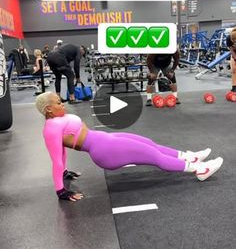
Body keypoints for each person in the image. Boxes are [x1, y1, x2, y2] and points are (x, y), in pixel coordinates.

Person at [35, 92, 223, 202]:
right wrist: (61, 191)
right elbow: (56, 158)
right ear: (49, 109)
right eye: (58, 103)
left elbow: (62, 157)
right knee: (153, 156)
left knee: (149, 144)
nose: (63, 104)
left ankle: (189, 157)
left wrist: (66, 172)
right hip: (104, 150)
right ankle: (199, 170)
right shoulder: (51, 128)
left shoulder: (59, 119)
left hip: (105, 139)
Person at [226, 27, 236, 92]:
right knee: (234, 69)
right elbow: (231, 50)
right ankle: (234, 86)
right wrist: (235, 57)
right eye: (234, 41)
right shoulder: (228, 38)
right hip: (234, 52)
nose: (235, 42)